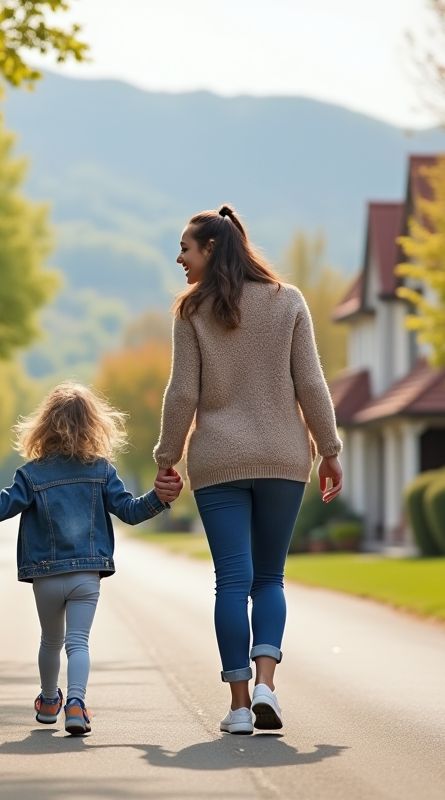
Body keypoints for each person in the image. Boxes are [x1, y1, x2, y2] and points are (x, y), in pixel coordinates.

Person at [153, 205, 343, 736]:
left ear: (210, 249)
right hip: (285, 459)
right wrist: (329, 449)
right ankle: (267, 686)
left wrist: (167, 457)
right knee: (270, 578)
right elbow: (311, 384)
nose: (180, 258)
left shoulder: (191, 311)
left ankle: (239, 708)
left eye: (185, 248)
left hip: (217, 463)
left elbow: (183, 393)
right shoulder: (289, 302)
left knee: (232, 582)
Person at [0, 382, 183, 735]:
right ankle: (76, 704)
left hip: (44, 575)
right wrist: (160, 498)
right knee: (78, 642)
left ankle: (47, 700)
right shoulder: (102, 471)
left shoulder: (31, 474)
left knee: (50, 641)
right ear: (94, 426)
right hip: (86, 573)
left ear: (43, 426)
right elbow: (130, 511)